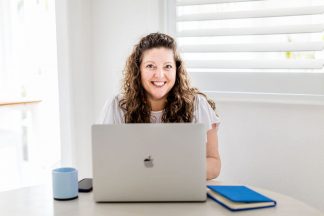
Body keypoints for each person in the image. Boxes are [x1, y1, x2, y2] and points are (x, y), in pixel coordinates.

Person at [99, 32, 221, 180]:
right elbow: (106, 164)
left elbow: (214, 164)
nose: (160, 75)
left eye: (167, 66)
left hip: (180, 189)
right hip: (134, 191)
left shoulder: (197, 105)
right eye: (151, 66)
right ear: (139, 70)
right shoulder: (117, 106)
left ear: (177, 69)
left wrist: (172, 169)